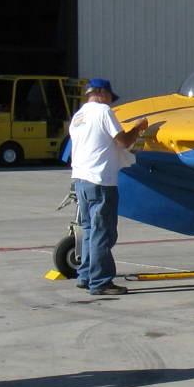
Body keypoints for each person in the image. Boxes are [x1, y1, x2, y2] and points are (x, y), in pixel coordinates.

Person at [68, 78, 148, 296]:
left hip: (81, 179)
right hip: (100, 180)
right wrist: (138, 128)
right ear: (102, 93)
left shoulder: (78, 116)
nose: (111, 102)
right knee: (103, 233)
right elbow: (123, 141)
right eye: (110, 97)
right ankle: (101, 281)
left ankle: (85, 275)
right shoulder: (103, 112)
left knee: (89, 230)